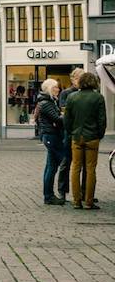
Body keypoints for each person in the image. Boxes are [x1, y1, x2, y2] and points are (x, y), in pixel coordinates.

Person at [64, 72, 107, 210]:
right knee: (90, 169)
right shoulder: (98, 98)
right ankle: (89, 201)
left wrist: (71, 132)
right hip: (92, 137)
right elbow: (102, 120)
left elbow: (67, 119)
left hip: (76, 137)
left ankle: (76, 201)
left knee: (75, 168)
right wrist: (99, 135)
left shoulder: (72, 97)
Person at [36, 78, 64, 205]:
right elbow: (57, 119)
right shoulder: (47, 103)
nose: (58, 90)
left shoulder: (48, 101)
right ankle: (49, 196)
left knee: (50, 166)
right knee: (52, 167)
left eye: (57, 87)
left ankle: (49, 195)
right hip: (51, 136)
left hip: (51, 136)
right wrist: (66, 114)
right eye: (55, 88)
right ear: (48, 89)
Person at [57, 67, 83, 202]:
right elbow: (64, 113)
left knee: (84, 164)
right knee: (66, 162)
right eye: (78, 78)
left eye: (82, 78)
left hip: (83, 132)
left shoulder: (87, 92)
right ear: (73, 79)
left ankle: (84, 192)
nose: (80, 81)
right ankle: (62, 190)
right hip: (69, 133)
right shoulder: (66, 93)